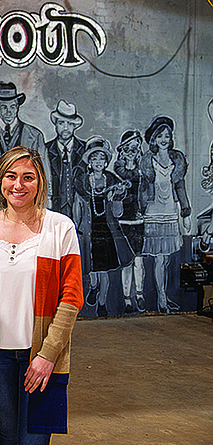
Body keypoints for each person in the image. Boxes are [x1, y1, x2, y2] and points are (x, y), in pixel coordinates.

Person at [0, 146, 83, 445]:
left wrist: (48, 355)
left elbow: (71, 299)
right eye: (11, 176)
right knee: (7, 440)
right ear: (0, 181)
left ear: (40, 182)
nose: (18, 185)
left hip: (41, 355)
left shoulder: (61, 228)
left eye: (28, 177)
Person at [73, 136, 134, 318]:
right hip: (88, 231)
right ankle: (92, 287)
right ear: (90, 162)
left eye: (102, 158)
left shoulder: (111, 180)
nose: (98, 162)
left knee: (104, 271)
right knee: (91, 270)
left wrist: (115, 196)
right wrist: (77, 228)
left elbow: (118, 213)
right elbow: (77, 206)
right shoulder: (83, 181)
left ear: (106, 161)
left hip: (106, 231)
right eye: (94, 159)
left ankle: (102, 304)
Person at [139, 116, 191, 313]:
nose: (164, 139)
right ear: (153, 138)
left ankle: (164, 296)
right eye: (160, 136)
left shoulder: (176, 159)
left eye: (167, 136)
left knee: (167, 258)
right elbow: (143, 188)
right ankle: (161, 298)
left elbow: (180, 186)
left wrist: (185, 209)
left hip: (170, 212)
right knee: (160, 258)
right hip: (153, 213)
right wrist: (141, 208)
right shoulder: (147, 161)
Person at [0, 82, 50, 200]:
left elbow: (44, 175)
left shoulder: (35, 136)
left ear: (17, 107)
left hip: (25, 204)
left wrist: (44, 201)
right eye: (4, 107)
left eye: (12, 107)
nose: (9, 111)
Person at [113, 130, 146, 313]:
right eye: (129, 148)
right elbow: (125, 178)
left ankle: (139, 294)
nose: (132, 152)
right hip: (124, 220)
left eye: (135, 148)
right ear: (123, 150)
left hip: (139, 219)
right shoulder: (119, 170)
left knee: (139, 260)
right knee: (126, 262)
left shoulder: (143, 169)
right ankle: (127, 298)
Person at [45, 100, 86, 221]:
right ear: (55, 125)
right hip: (54, 209)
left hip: (80, 211)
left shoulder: (85, 150)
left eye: (70, 124)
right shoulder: (46, 150)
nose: (66, 128)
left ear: (75, 126)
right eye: (61, 123)